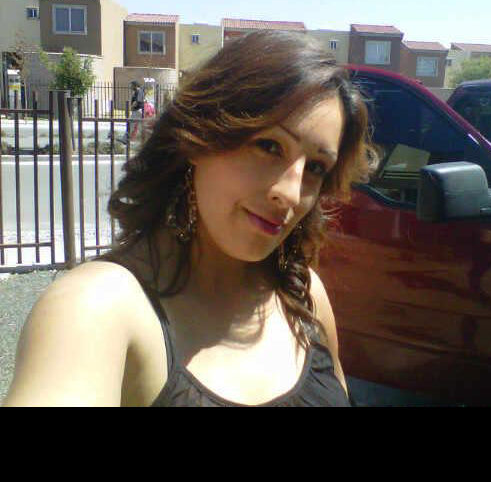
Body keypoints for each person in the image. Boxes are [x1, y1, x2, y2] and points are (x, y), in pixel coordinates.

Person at [2, 31, 378, 407]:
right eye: (269, 146)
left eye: (315, 167)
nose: (292, 194)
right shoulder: (98, 306)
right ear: (200, 137)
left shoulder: (305, 296)